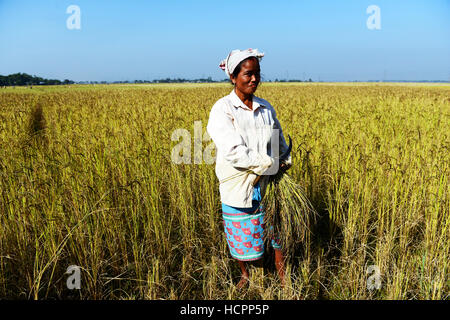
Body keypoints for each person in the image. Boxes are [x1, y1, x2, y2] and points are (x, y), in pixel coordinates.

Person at [206, 48, 292, 288]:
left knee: (277, 234)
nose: (254, 79)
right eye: (247, 74)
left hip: (268, 184)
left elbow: (279, 139)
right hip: (238, 184)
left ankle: (283, 278)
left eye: (257, 73)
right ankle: (245, 274)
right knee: (241, 234)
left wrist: (284, 159)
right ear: (233, 77)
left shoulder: (266, 109)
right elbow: (233, 151)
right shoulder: (222, 109)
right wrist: (268, 164)